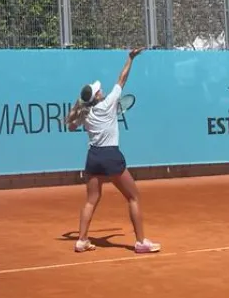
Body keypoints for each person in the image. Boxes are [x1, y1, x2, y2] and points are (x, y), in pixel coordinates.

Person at [65, 47, 161, 255]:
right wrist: (130, 58)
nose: (101, 90)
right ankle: (140, 242)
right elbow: (122, 77)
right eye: (99, 90)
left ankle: (81, 240)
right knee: (133, 196)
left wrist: (79, 105)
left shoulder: (85, 113)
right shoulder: (109, 103)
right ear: (98, 96)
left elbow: (70, 125)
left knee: (91, 200)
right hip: (110, 157)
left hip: (93, 158)